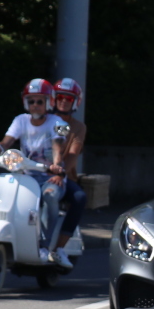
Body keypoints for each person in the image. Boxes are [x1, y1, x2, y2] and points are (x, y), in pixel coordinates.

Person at [0, 79, 66, 263]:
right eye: (31, 101)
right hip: (26, 175)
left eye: (40, 101)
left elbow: (57, 146)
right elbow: (6, 142)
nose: (35, 105)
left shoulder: (56, 121)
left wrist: (56, 167)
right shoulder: (20, 120)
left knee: (50, 196)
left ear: (49, 102)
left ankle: (45, 246)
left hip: (49, 177)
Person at [49, 77, 88, 268]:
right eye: (60, 97)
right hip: (36, 173)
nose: (64, 101)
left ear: (75, 102)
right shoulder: (41, 119)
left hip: (63, 177)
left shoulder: (79, 127)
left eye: (69, 98)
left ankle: (59, 248)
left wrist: (61, 173)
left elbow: (73, 154)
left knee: (80, 197)